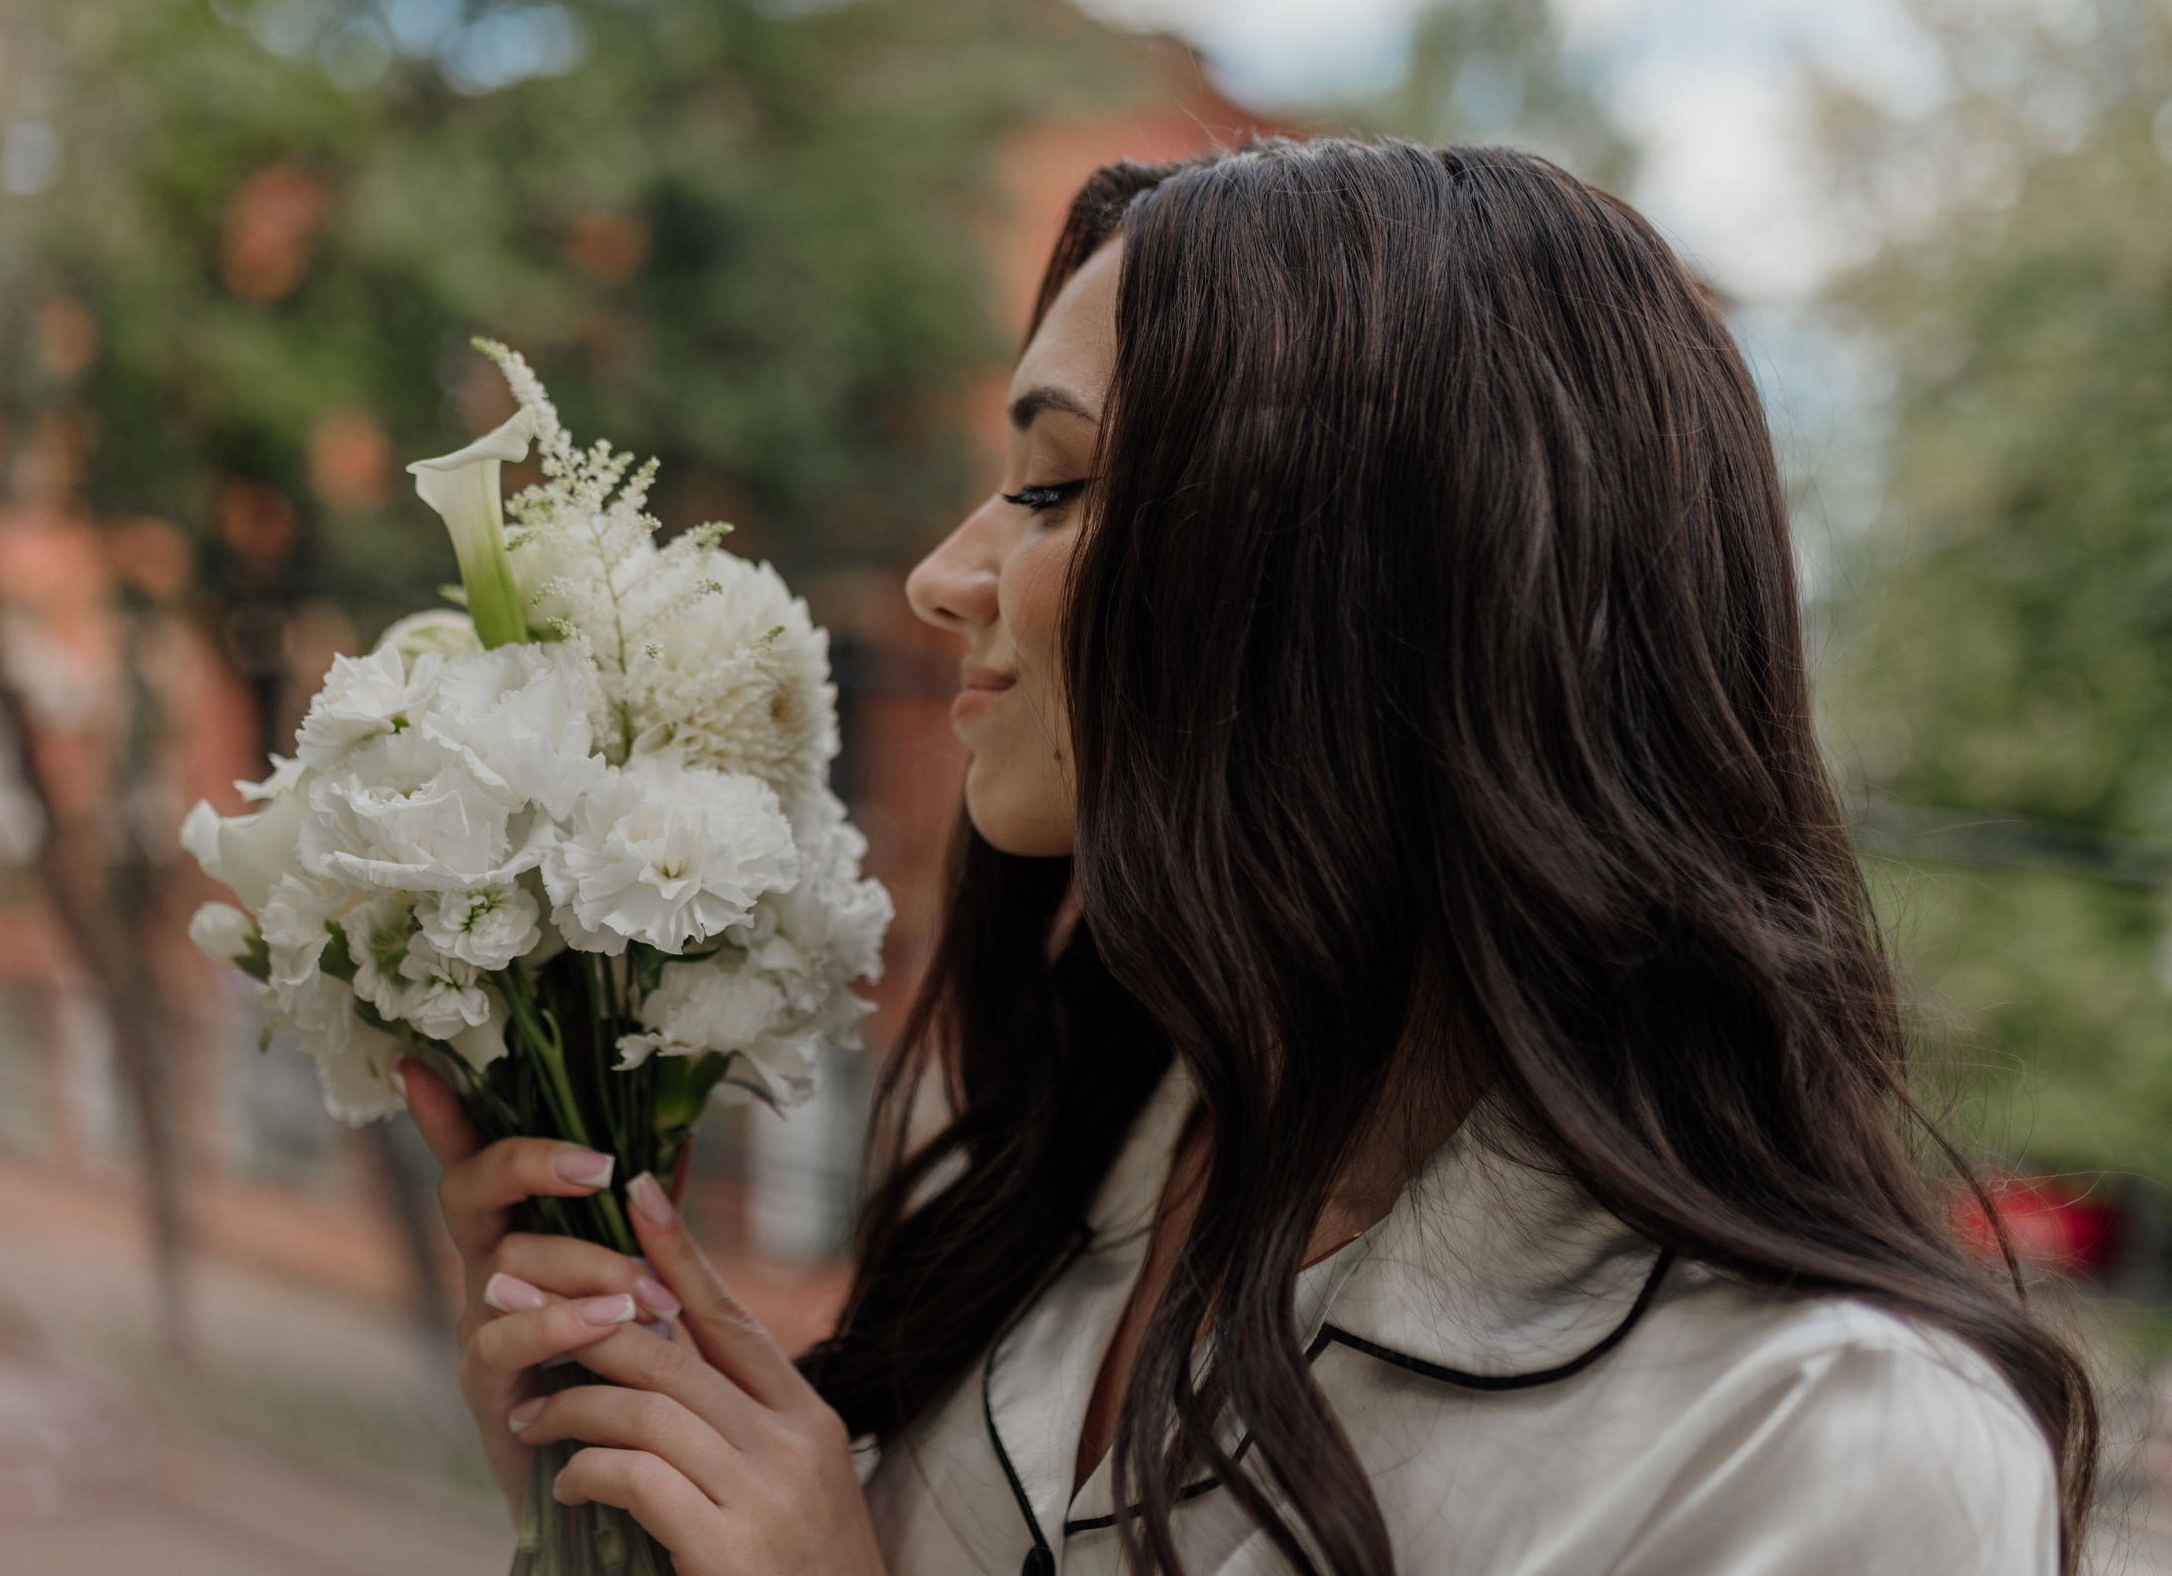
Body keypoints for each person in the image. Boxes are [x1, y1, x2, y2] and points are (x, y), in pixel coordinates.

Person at [398, 138, 2095, 1576]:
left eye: (1055, 491)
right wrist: (615, 1482)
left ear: (1353, 590)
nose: (943, 574)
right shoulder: (1052, 1180)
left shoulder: (1835, 1445)